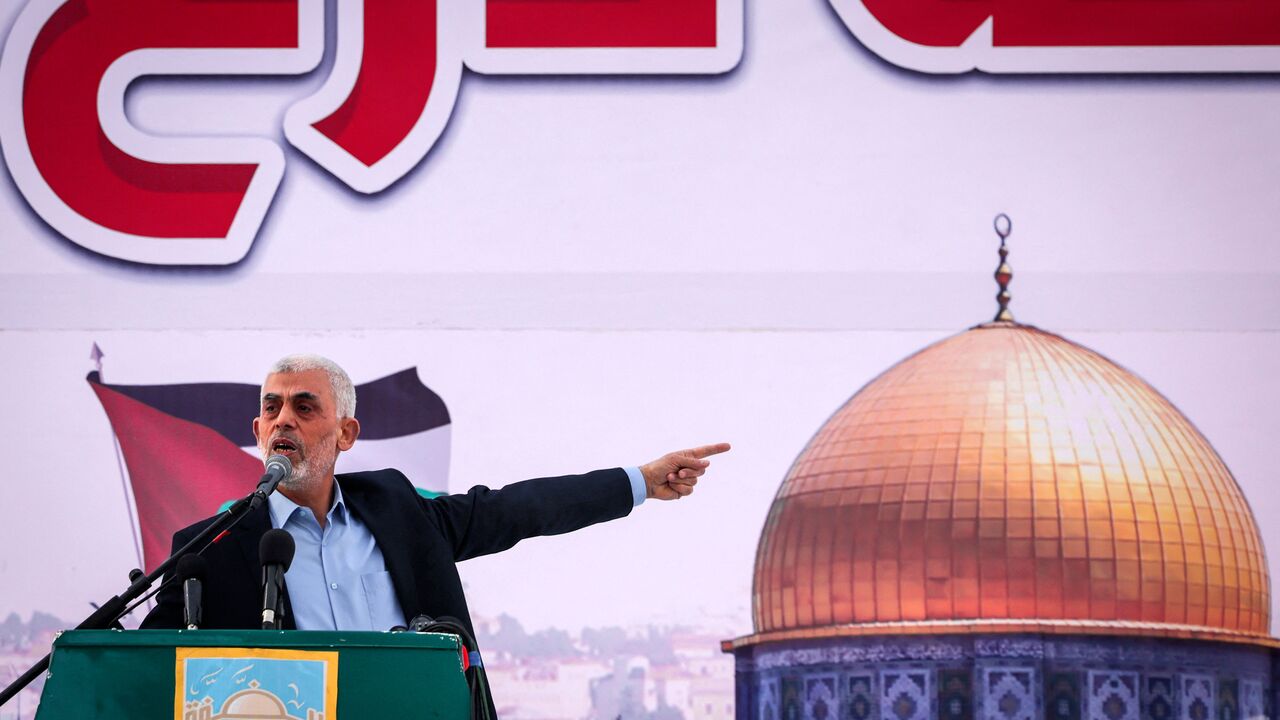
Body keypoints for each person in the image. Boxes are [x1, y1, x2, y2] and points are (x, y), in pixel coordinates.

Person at [140, 354, 730, 641]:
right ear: (257, 432)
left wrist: (640, 482)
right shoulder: (211, 548)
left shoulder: (398, 509)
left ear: (346, 433)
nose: (283, 420)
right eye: (272, 408)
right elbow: (148, 671)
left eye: (304, 406)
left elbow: (516, 509)